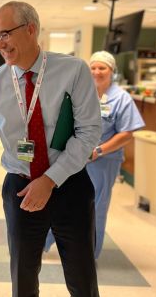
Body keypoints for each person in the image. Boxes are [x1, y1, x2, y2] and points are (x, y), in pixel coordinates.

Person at [0, 1, 103, 297]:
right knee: (22, 282)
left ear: (31, 29)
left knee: (82, 280)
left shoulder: (73, 70)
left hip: (69, 186)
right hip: (21, 190)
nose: (0, 44)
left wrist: (49, 180)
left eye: (5, 34)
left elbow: (89, 131)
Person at [45, 51, 145, 258]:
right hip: (75, 156)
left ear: (112, 71)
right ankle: (42, 243)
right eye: (93, 67)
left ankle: (88, 253)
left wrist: (99, 150)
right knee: (62, 200)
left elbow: (127, 133)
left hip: (104, 161)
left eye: (103, 68)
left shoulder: (121, 99)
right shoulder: (81, 91)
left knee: (95, 206)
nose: (97, 72)